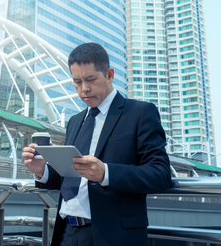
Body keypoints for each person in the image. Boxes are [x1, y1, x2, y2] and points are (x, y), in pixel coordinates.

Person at [22, 42, 172, 245]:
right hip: (66, 231)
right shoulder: (75, 121)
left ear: (109, 75)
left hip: (113, 235)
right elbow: (73, 178)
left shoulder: (140, 113)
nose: (84, 89)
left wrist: (106, 173)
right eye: (77, 82)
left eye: (91, 79)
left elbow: (160, 174)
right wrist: (43, 171)